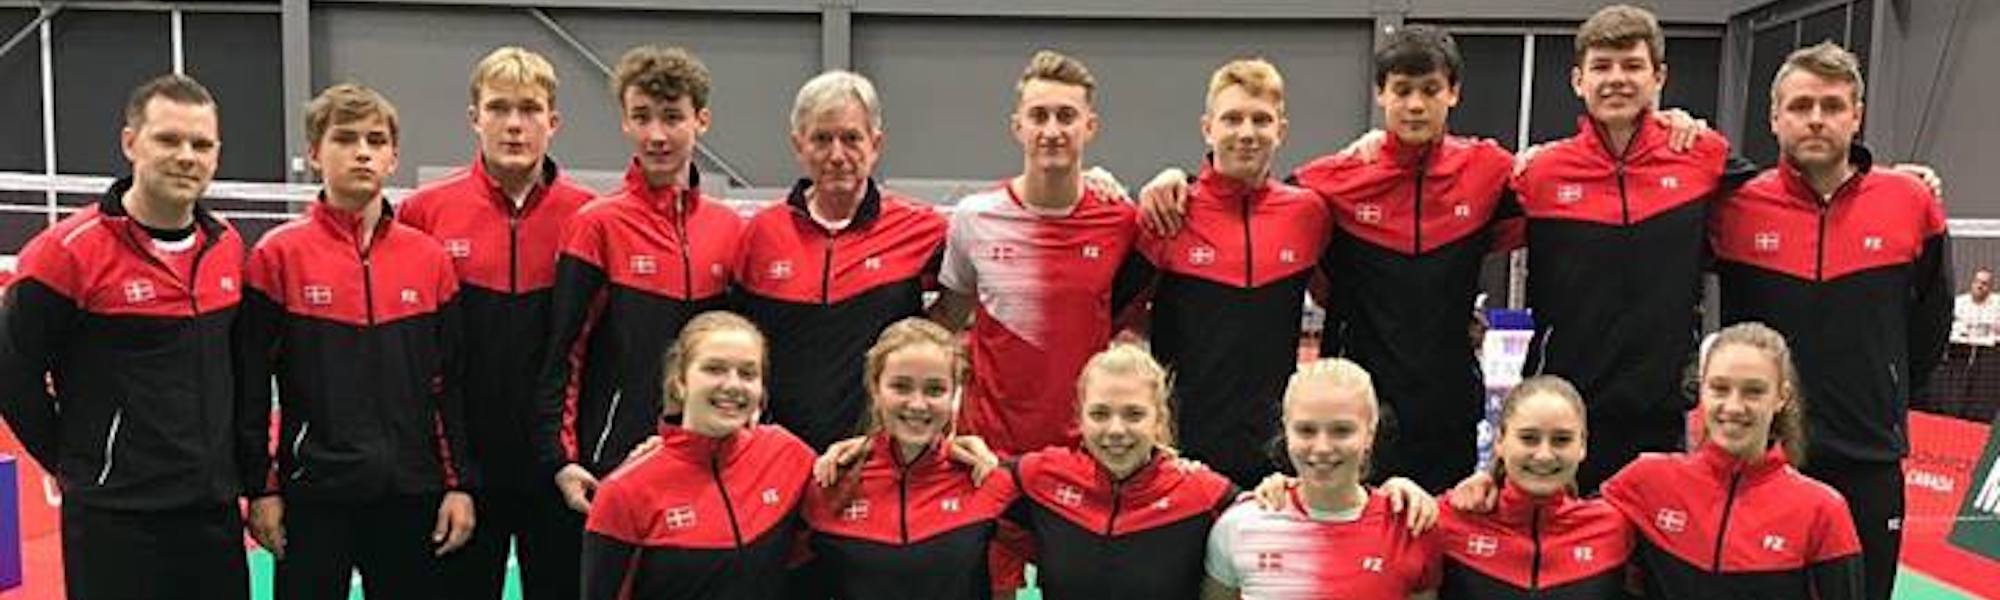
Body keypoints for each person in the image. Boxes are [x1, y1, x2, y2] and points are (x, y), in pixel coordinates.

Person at [1136, 25, 1708, 493]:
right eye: (1402, 89)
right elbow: (1249, 198)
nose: (1414, 104)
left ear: (1452, 93)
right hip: (1355, 413)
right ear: (1381, 95)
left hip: (1450, 409)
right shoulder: (1328, 184)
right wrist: (1177, 178)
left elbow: (1571, 176)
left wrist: (1665, 126)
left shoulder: (1490, 170)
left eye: (1429, 89)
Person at [1708, 42, 1950, 600]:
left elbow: (1931, 322)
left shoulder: (1911, 201)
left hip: (1869, 458)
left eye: (1833, 106)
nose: (1816, 118)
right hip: (1764, 457)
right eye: (1800, 106)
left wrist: (1886, 388)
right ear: (1774, 118)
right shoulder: (1735, 207)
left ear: (1856, 115)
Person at [0, 74, 249, 600]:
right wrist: (75, 462)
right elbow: (11, 372)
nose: (186, 157)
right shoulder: (64, 254)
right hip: (114, 521)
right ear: (130, 143)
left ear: (217, 155)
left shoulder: (227, 246)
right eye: (168, 139)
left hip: (213, 514)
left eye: (201, 144)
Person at [236, 83, 475, 599]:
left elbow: (449, 385)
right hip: (313, 495)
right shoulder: (277, 257)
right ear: (314, 153)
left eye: (376, 140)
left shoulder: (430, 260)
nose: (362, 152)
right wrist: (261, 489)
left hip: (411, 493)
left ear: (393, 158)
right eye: (345, 139)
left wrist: (458, 485)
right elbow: (250, 388)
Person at [928, 49, 1150, 596]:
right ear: (1018, 126)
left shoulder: (1122, 221)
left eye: (1066, 116)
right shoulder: (974, 218)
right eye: (1039, 116)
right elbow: (947, 320)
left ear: (1090, 127)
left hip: (1085, 459)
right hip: (987, 456)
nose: (1052, 130)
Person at [1507, 4, 1743, 492]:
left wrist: (1892, 180)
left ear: (1659, 77)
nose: (1617, 79)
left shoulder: (1701, 156)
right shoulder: (1539, 173)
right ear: (1578, 80)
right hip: (1565, 413)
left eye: (1632, 66)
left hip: (1662, 411)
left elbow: (1789, 194)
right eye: (1602, 67)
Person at [396, 46, 597, 600]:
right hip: (462, 471)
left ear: (553, 122)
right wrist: (448, 473)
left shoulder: (589, 217)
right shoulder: (424, 213)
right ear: (474, 117)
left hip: (557, 468)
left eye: (529, 109)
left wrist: (570, 452)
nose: (514, 124)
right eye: (499, 108)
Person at [534, 45, 744, 517]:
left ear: (701, 121)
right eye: (642, 117)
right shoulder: (596, 225)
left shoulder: (731, 230)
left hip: (707, 460)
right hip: (611, 464)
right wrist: (562, 458)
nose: (656, 135)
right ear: (625, 123)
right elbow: (565, 353)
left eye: (672, 117)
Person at [1124, 57, 1332, 489]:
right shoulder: (1168, 212)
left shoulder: (1308, 213)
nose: (1247, 133)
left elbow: (1340, 300)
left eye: (1261, 120)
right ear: (1207, 128)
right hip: (1182, 457)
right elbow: (1112, 318)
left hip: (1276, 461)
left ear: (1281, 130)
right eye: (1232, 119)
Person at [1254, 375, 1635, 599]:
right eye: (1529, 438)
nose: (1544, 454)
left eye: (1562, 440)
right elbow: (1349, 514)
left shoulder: (1615, 526)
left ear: (1583, 446)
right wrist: (1295, 489)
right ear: (1500, 442)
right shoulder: (1445, 518)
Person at [735, 70, 948, 451]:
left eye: (851, 138)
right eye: (821, 139)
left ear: (876, 144)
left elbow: (967, 299)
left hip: (881, 458)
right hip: (780, 456)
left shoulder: (925, 230)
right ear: (798, 145)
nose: (837, 155)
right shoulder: (758, 234)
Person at [578, 311, 815, 600]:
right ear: (680, 383)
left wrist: (853, 449)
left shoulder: (788, 454)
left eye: (748, 373)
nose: (733, 385)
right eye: (714, 369)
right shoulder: (624, 492)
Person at [802, 318, 1018, 599]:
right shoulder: (825, 484)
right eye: (901, 387)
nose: (917, 404)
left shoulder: (989, 481)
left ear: (955, 393)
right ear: (875, 389)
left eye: (935, 389)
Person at [1202, 358, 1442, 600]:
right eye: (1306, 430)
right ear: (1286, 430)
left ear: (1370, 433)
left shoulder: (1410, 527)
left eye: (1341, 431)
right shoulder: (1239, 525)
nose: (1322, 447)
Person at [1941, 268, 2000, 419]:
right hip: (1960, 352)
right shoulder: (1959, 302)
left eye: (1985, 284)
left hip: (1987, 356)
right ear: (1972, 283)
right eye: (1977, 282)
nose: (1980, 286)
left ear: (1990, 288)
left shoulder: (1997, 304)